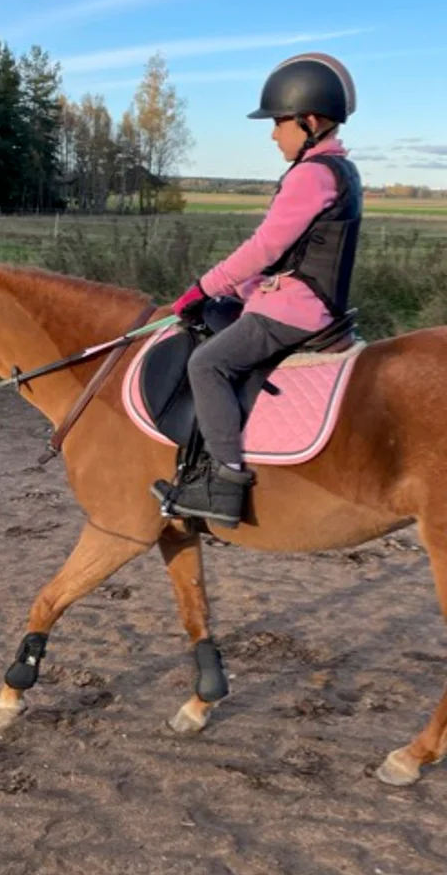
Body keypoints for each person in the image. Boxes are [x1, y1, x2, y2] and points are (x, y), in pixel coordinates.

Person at [153, 52, 362, 528]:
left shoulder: (312, 174)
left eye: (279, 122)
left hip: (298, 311)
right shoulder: (335, 169)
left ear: (308, 122)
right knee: (216, 322)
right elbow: (296, 254)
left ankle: (224, 483)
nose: (273, 133)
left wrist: (201, 288)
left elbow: (266, 247)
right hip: (295, 298)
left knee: (206, 363)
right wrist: (240, 292)